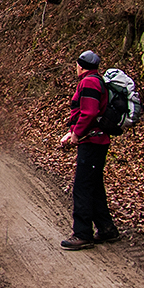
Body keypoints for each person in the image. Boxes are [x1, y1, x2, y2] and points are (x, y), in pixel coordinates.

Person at [58, 49, 121, 250]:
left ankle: (82, 234)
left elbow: (90, 112)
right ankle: (106, 229)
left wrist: (76, 134)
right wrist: (72, 132)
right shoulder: (96, 80)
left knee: (82, 187)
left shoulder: (89, 82)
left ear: (80, 66)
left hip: (92, 142)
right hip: (95, 140)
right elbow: (86, 113)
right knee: (94, 186)